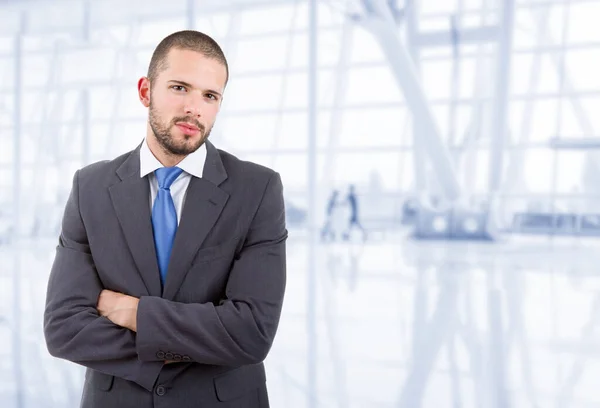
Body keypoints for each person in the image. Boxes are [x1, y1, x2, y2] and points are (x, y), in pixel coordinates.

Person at [43, 30, 287, 408]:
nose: (195, 108)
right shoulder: (90, 188)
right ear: (145, 91)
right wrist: (194, 342)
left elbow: (251, 333)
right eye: (179, 88)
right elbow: (64, 329)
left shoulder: (257, 190)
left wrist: (132, 312)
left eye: (210, 95)